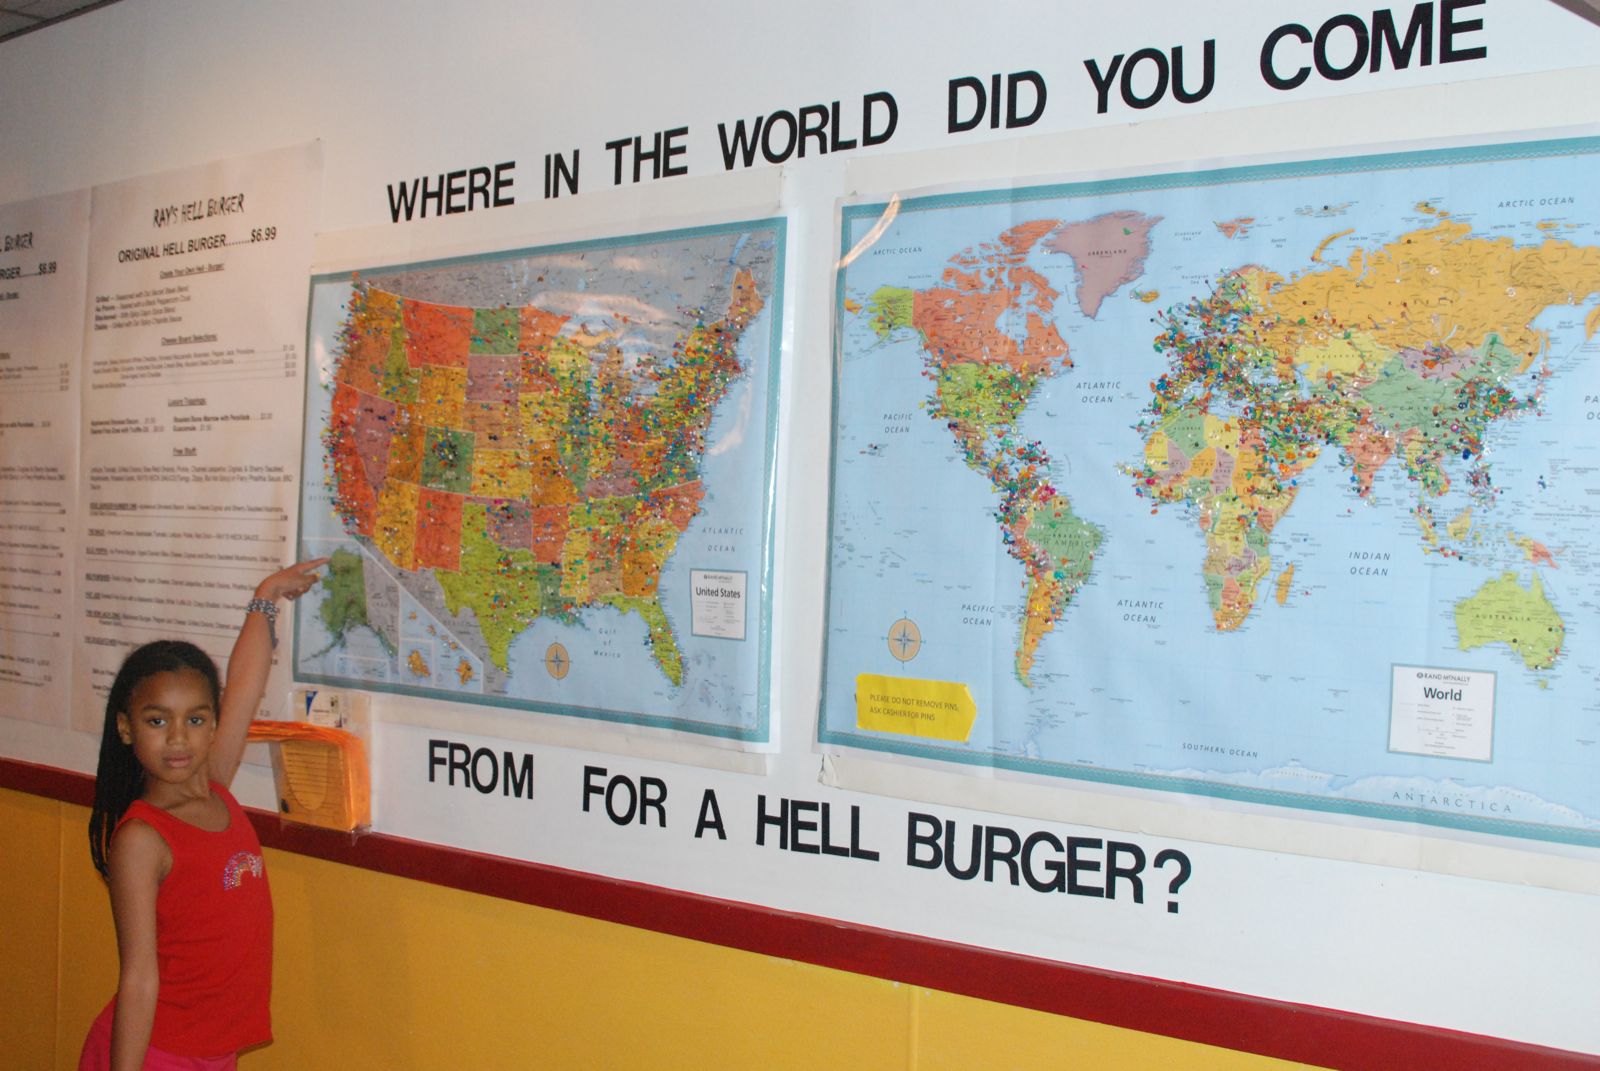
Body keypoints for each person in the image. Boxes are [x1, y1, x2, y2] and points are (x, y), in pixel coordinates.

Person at [80, 559, 328, 1071]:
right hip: (158, 1053)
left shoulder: (214, 785)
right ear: (126, 728)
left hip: (215, 1052)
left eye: (195, 719)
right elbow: (139, 978)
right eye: (157, 721)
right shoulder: (143, 839)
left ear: (213, 722)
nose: (178, 738)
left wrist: (265, 597)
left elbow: (244, 683)